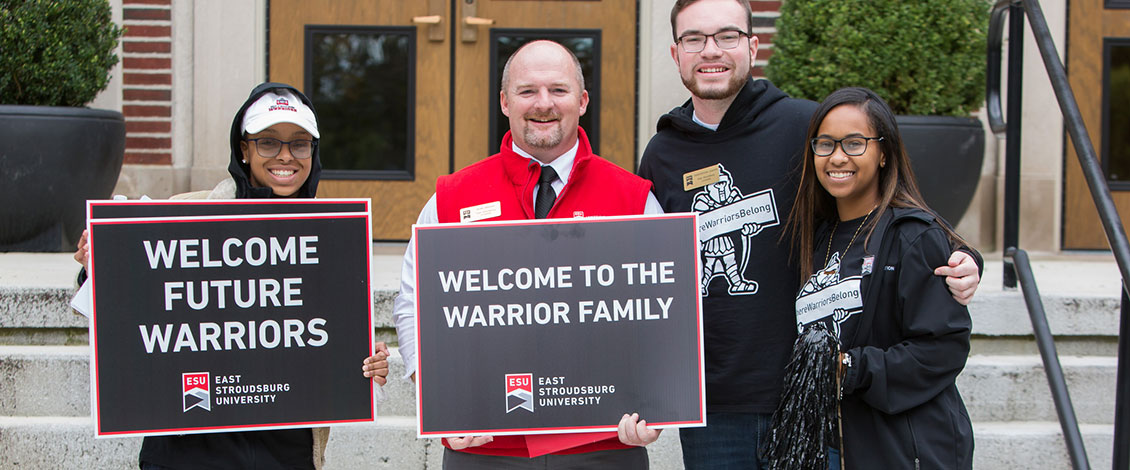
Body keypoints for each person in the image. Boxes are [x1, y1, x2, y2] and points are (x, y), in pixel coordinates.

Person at [635, 1, 981, 468]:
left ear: (753, 46)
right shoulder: (663, 153)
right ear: (676, 53)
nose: (710, 50)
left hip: (817, 397)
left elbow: (885, 203)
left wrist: (963, 255)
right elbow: (649, 276)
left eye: (727, 36)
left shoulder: (805, 126)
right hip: (716, 406)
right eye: (694, 38)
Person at [373, 39, 663, 469]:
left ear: (582, 101)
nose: (543, 103)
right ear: (504, 102)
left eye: (558, 90)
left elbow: (666, 311)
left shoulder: (633, 199)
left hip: (604, 443)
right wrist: (437, 399)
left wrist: (657, 402)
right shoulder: (451, 198)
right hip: (484, 446)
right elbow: (415, 306)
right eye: (527, 91)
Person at [73, 82, 391, 470]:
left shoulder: (333, 240)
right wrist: (97, 265)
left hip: (286, 449)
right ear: (244, 148)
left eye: (300, 143)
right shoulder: (185, 213)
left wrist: (362, 353)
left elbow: (329, 332)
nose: (286, 156)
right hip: (191, 448)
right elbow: (131, 311)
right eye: (269, 142)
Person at [786, 87, 974, 468]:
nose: (837, 157)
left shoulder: (914, 235)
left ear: (884, 152)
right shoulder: (817, 236)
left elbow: (943, 349)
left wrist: (849, 368)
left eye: (855, 143)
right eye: (825, 144)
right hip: (832, 445)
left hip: (902, 448)